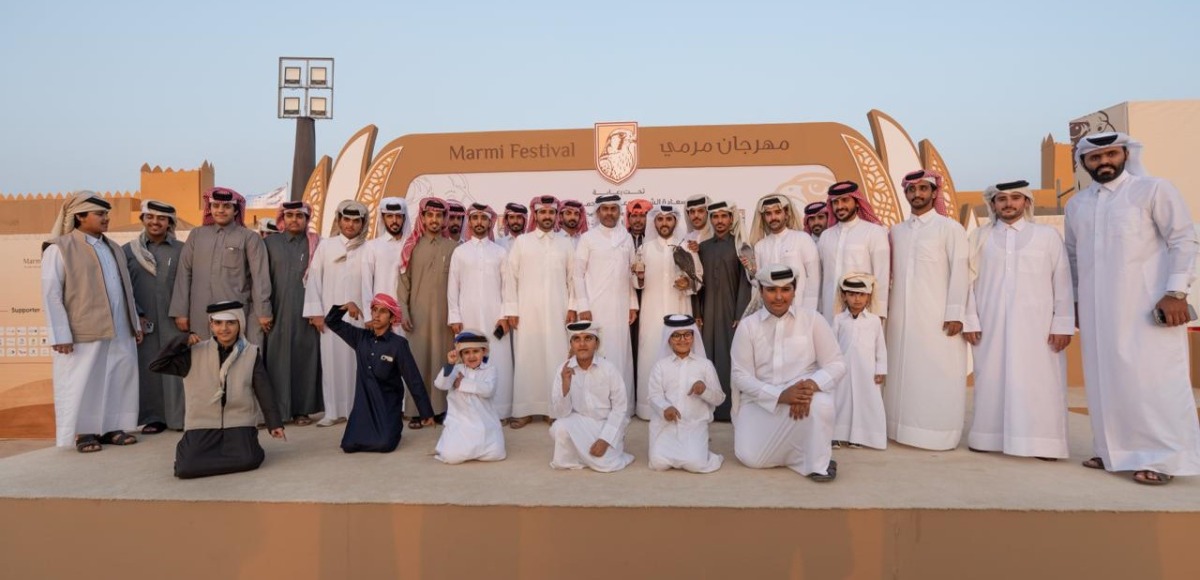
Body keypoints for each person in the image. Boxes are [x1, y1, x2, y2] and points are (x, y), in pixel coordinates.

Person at [1066, 132, 1200, 485]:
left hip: (1147, 306)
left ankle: (1165, 458)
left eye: (1110, 154)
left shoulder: (1153, 190)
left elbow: (1183, 239)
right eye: (1095, 157)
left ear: (1125, 154)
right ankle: (1113, 451)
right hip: (1097, 310)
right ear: (1084, 162)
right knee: (1105, 379)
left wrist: (1176, 292)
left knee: (1154, 380)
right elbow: (1074, 258)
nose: (1103, 162)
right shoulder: (1077, 205)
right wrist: (1076, 302)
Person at [962, 180, 1074, 461]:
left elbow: (1062, 281)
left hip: (1038, 328)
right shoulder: (979, 237)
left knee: (1040, 382)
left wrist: (1062, 324)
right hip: (991, 324)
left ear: (1026, 202)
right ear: (993, 204)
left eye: (1015, 198)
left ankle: (1044, 444)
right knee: (991, 379)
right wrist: (970, 319)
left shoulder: (1047, 236)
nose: (1008, 204)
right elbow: (967, 283)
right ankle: (988, 437)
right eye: (1002, 199)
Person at [42, 192, 142, 452]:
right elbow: (51, 294)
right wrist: (60, 334)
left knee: (118, 376)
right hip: (82, 330)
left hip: (120, 327)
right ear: (80, 217)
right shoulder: (59, 248)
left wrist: (134, 324)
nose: (105, 218)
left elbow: (126, 290)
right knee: (85, 381)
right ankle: (84, 433)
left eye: (106, 214)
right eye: (99, 214)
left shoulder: (114, 248)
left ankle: (112, 428)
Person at [731, 265, 846, 482]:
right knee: (751, 458)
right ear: (761, 291)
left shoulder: (813, 319)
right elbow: (740, 376)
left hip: (803, 399)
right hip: (760, 402)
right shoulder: (748, 327)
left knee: (822, 405)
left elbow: (836, 364)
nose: (778, 297)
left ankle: (817, 463)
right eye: (771, 290)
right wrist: (780, 396)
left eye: (785, 289)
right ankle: (802, 454)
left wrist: (809, 387)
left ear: (794, 291)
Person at [150, 301, 285, 478]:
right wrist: (181, 340)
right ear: (211, 325)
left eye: (231, 323)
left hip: (238, 423)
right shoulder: (194, 352)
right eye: (218, 323)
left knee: (248, 460)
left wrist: (274, 423)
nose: (224, 329)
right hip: (202, 423)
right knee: (186, 468)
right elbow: (157, 365)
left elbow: (263, 390)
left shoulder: (251, 353)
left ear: (240, 324)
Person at [885, 169, 969, 451]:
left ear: (934, 193)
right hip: (901, 318)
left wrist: (955, 313)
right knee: (903, 374)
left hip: (938, 316)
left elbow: (960, 272)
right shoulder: (896, 232)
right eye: (912, 189)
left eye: (923, 189)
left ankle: (938, 434)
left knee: (937, 372)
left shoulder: (950, 229)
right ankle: (899, 428)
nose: (917, 194)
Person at [324, 294, 433, 452]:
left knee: (384, 445)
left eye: (382, 311)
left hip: (386, 406)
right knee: (348, 446)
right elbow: (332, 322)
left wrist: (425, 412)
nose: (376, 315)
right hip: (363, 406)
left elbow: (413, 378)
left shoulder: (398, 345)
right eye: (374, 310)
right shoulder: (360, 338)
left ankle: (394, 428)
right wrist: (347, 306)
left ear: (392, 318)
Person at [505, 195, 577, 428]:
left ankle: (553, 409)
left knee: (556, 357)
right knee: (528, 358)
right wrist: (511, 309)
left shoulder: (565, 243)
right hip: (527, 311)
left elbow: (573, 278)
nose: (547, 216)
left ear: (556, 216)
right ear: (535, 215)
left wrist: (572, 306)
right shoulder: (522, 242)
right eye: (543, 212)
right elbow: (510, 278)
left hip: (558, 310)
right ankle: (524, 410)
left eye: (551, 212)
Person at [169, 187, 272, 345]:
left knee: (235, 357)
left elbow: (260, 278)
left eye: (226, 206)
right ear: (209, 208)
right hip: (200, 315)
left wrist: (264, 312)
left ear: (236, 210)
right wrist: (180, 311)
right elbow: (184, 273)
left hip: (235, 315)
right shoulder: (197, 235)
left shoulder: (249, 238)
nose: (220, 210)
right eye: (216, 206)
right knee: (203, 356)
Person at [303, 200, 371, 427]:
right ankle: (332, 411)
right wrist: (316, 313)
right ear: (339, 220)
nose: (350, 225)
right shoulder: (326, 246)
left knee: (357, 364)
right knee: (331, 363)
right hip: (330, 317)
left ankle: (355, 411)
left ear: (363, 223)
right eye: (346, 219)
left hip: (359, 318)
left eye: (356, 221)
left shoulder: (368, 248)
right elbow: (314, 280)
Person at [447, 203, 514, 421]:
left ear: (490, 222)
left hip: (496, 318)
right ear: (470, 222)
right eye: (475, 218)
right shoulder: (460, 252)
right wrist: (454, 316)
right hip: (468, 316)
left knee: (499, 360)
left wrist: (505, 315)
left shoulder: (500, 252)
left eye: (483, 218)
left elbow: (507, 287)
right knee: (470, 359)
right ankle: (471, 409)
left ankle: (501, 410)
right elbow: (453, 287)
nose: (479, 222)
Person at [633, 204, 701, 419]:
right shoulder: (644, 249)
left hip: (679, 308)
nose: (664, 223)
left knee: (678, 354)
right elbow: (636, 282)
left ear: (675, 222)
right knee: (650, 354)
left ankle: (681, 406)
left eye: (669, 219)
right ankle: (648, 407)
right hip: (652, 314)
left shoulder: (686, 247)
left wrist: (688, 283)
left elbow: (699, 279)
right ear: (654, 223)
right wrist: (639, 278)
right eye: (660, 219)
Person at [123, 200, 185, 434]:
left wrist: (183, 312)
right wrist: (137, 314)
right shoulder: (128, 251)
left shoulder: (182, 250)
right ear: (143, 219)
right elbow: (123, 287)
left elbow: (189, 284)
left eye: (161, 218)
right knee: (149, 368)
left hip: (175, 319)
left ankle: (179, 417)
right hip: (144, 319)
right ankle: (154, 417)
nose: (155, 222)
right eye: (150, 217)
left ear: (170, 222)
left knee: (176, 367)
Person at [574, 193, 638, 414]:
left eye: (613, 209)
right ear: (598, 212)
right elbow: (577, 275)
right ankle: (597, 406)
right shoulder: (587, 238)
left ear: (619, 212)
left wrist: (632, 304)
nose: (609, 213)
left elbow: (631, 273)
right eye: (605, 209)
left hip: (620, 308)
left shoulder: (626, 238)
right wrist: (583, 306)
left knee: (620, 355)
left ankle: (622, 406)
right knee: (598, 354)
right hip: (595, 308)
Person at [398, 197, 460, 427]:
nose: (434, 220)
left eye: (439, 215)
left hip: (445, 317)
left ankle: (441, 410)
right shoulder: (411, 247)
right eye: (430, 215)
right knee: (417, 362)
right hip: (418, 315)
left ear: (444, 219)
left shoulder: (454, 248)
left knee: (442, 361)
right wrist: (404, 311)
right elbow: (404, 282)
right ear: (422, 218)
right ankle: (416, 412)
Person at [263, 200, 323, 426]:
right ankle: (277, 411)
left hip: (306, 312)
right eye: (290, 215)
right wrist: (263, 311)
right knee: (275, 362)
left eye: (300, 216)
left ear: (307, 219)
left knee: (304, 360)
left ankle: (302, 410)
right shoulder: (270, 243)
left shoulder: (316, 244)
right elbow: (260, 279)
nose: (294, 220)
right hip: (276, 311)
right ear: (283, 218)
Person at [549, 322, 635, 472]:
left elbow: (620, 409)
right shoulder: (563, 370)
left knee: (607, 465)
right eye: (577, 339)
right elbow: (560, 414)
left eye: (588, 338)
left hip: (607, 425)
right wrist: (565, 386)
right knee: (558, 428)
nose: (582, 344)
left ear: (597, 343)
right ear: (571, 344)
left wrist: (605, 439)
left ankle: (584, 456)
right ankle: (582, 457)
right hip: (579, 423)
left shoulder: (609, 369)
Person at [696, 200, 752, 421]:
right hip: (707, 313)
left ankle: (729, 408)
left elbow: (745, 282)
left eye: (724, 216)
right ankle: (709, 408)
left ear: (731, 219)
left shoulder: (740, 247)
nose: (719, 221)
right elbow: (697, 283)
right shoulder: (703, 247)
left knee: (729, 358)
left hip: (731, 314)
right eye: (715, 217)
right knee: (707, 357)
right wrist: (697, 312)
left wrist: (740, 313)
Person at [647, 315, 725, 473]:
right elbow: (653, 396)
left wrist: (704, 390)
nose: (682, 340)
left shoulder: (705, 365)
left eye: (687, 335)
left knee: (696, 464)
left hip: (694, 425)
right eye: (676, 335)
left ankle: (706, 452)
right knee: (658, 464)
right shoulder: (660, 366)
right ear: (669, 339)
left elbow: (719, 398)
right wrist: (665, 408)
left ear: (693, 337)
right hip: (666, 425)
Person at [817, 181, 890, 322]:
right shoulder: (826, 236)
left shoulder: (874, 232)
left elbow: (881, 275)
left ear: (857, 202)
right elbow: (821, 276)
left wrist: (878, 313)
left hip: (863, 314)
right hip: (829, 312)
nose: (839, 206)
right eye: (835, 202)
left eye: (845, 200)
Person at [830, 273, 887, 450]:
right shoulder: (839, 319)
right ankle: (836, 435)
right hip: (843, 370)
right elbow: (832, 345)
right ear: (844, 296)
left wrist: (881, 370)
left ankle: (858, 436)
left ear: (868, 297)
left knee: (865, 402)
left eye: (861, 295)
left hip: (867, 371)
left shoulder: (874, 321)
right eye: (852, 294)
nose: (857, 299)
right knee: (840, 401)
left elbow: (880, 347)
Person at [433, 330, 507, 463]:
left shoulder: (490, 369)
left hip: (485, 423)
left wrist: (462, 383)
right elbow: (441, 384)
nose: (471, 356)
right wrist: (450, 364)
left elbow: (488, 390)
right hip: (460, 423)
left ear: (484, 351)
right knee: (451, 457)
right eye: (466, 352)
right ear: (461, 355)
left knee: (496, 454)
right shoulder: (456, 369)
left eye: (476, 351)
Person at [748, 194, 821, 311]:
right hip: (770, 312)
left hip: (799, 309)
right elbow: (760, 283)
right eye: (768, 214)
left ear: (786, 214)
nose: (773, 217)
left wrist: (808, 312)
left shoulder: (802, 239)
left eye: (777, 212)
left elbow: (814, 278)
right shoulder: (760, 246)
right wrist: (751, 272)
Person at [362, 197, 413, 335]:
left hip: (408, 317)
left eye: (398, 216)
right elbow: (366, 284)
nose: (394, 220)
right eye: (389, 216)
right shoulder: (372, 247)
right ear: (383, 218)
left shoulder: (412, 246)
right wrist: (368, 316)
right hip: (382, 316)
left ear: (404, 218)